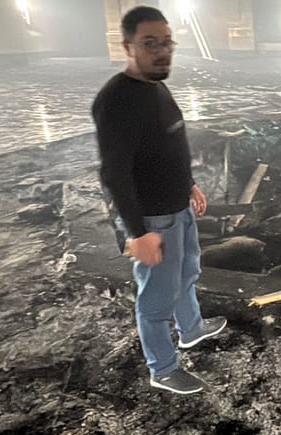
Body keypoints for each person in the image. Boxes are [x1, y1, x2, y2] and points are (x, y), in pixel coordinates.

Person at [92, 6, 227, 395]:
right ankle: (163, 368)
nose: (162, 51)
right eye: (150, 43)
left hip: (178, 207)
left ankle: (192, 329)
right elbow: (114, 174)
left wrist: (189, 185)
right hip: (153, 219)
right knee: (155, 298)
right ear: (128, 47)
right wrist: (138, 233)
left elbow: (169, 143)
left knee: (186, 274)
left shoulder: (156, 86)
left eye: (166, 42)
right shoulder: (116, 101)